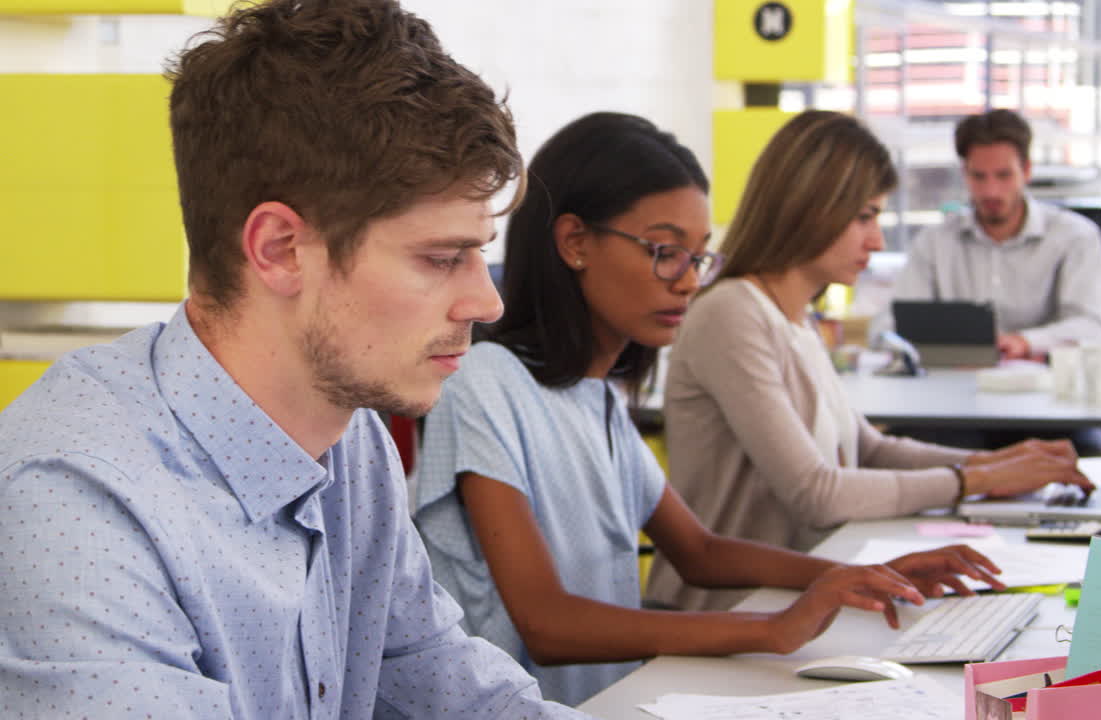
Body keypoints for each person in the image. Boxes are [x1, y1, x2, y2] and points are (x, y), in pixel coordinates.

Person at [0, 1, 586, 717]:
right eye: (442, 258)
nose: (484, 302)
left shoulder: (347, 436)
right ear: (278, 249)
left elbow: (438, 677)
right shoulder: (76, 500)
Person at [413, 112, 1009, 706]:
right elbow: (547, 623)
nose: (688, 282)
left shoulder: (596, 395)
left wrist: (861, 578)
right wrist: (773, 630)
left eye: (698, 257)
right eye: (665, 251)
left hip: (608, 702)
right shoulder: (485, 386)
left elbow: (699, 552)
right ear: (574, 243)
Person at [644, 110, 1093, 613]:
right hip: (720, 615)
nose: (877, 241)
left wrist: (996, 463)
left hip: (792, 602)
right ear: (809, 207)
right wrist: (977, 481)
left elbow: (868, 447)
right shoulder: (731, 314)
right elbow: (817, 492)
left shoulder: (795, 317)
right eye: (865, 217)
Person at [890, 108, 1101, 456]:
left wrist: (1024, 342)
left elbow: (1091, 328)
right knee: (904, 452)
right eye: (979, 177)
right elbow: (892, 324)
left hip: (1046, 408)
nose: (991, 190)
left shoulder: (1075, 237)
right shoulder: (934, 243)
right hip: (952, 408)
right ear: (965, 174)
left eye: (1003, 175)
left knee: (1096, 460)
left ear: (1026, 170)